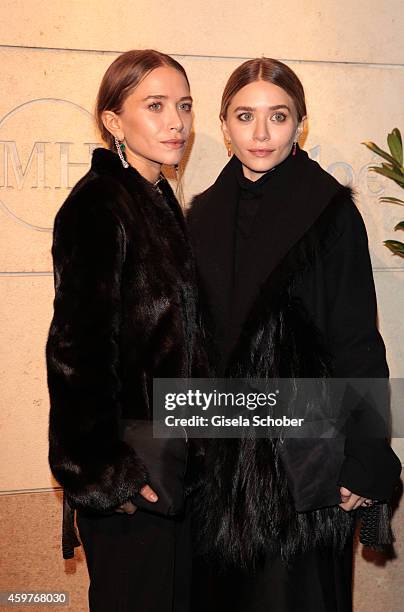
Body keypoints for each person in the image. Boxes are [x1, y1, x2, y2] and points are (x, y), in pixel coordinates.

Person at [187, 58, 401, 612]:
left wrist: (365, 452)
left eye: (277, 117)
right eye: (245, 116)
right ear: (225, 123)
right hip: (217, 467)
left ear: (299, 125)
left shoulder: (328, 211)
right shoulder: (201, 215)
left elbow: (357, 340)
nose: (261, 133)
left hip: (304, 462)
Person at [46, 49, 205, 612]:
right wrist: (107, 476)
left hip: (170, 467)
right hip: (132, 481)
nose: (176, 122)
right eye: (155, 105)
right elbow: (77, 351)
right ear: (114, 121)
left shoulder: (157, 200)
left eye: (184, 105)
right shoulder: (98, 204)